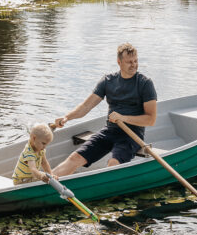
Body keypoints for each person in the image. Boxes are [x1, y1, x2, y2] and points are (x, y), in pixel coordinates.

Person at [51, 43, 157, 177]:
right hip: (110, 131)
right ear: (119, 62)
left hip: (131, 135)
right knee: (75, 158)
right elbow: (85, 107)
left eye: (136, 61)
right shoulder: (108, 81)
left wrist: (123, 118)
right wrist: (67, 117)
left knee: (113, 164)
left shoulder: (145, 83)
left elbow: (151, 119)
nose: (134, 65)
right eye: (129, 62)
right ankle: (46, 184)